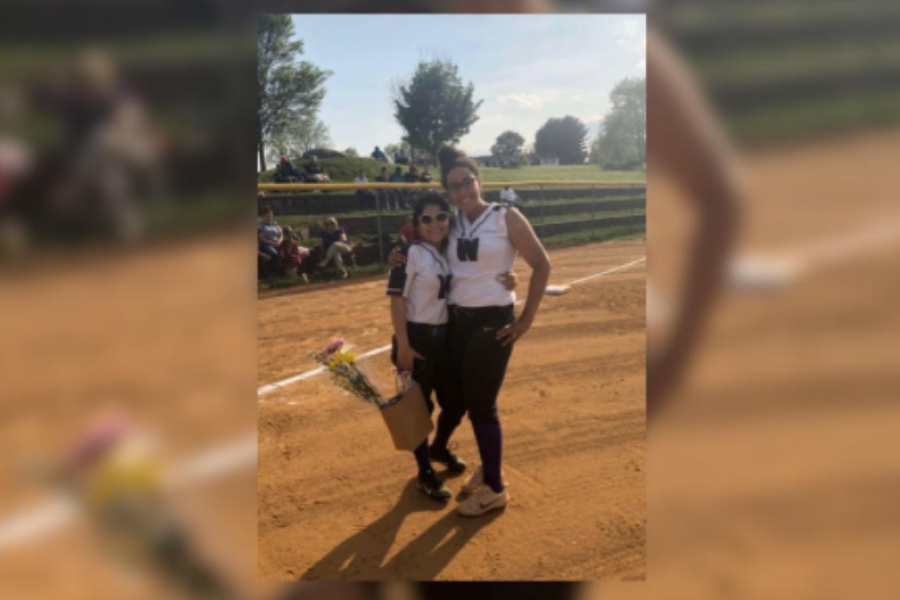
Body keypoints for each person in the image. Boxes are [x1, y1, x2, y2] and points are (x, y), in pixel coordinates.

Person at [390, 146, 551, 517]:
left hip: (491, 321)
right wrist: (397, 256)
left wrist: (526, 319)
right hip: (455, 323)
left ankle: (495, 488)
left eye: (467, 183)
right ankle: (486, 469)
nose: (462, 192)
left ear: (479, 181)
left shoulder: (506, 217)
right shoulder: (452, 222)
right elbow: (423, 248)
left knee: (482, 405)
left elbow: (542, 264)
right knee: (463, 398)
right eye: (454, 187)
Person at [387, 193, 518, 502]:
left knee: (457, 402)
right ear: (416, 225)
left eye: (441, 216)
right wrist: (403, 345)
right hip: (417, 339)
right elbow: (397, 300)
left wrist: (509, 279)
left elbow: (482, 269)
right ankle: (424, 471)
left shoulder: (451, 250)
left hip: (446, 338)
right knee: (419, 410)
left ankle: (439, 447)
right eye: (427, 219)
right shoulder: (408, 253)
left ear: (449, 219)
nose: (435, 223)